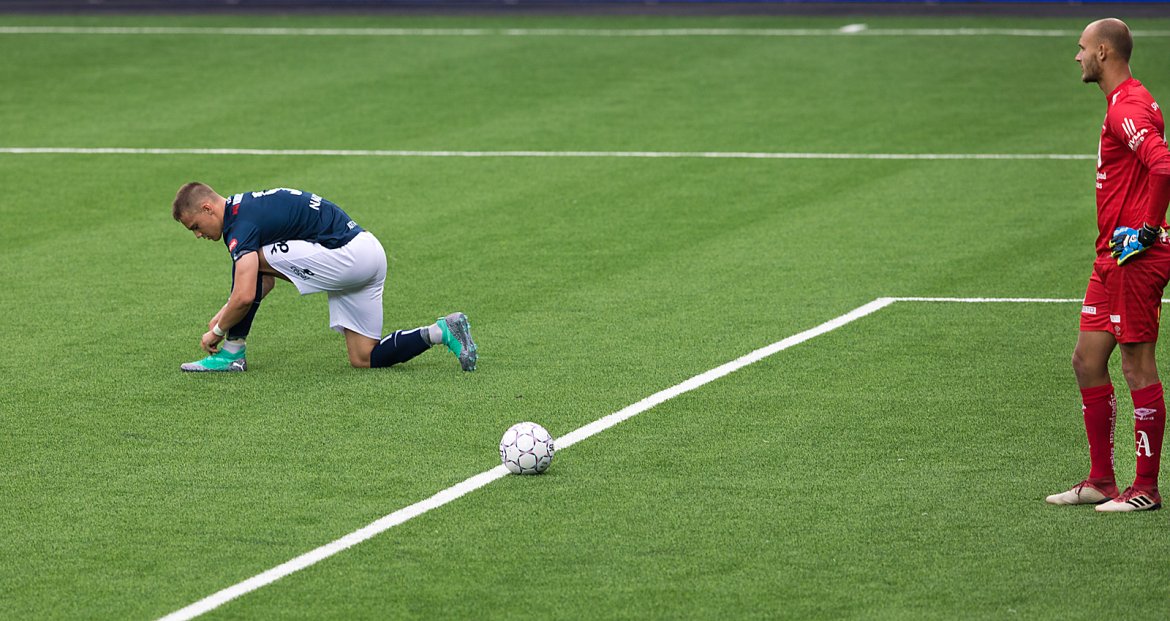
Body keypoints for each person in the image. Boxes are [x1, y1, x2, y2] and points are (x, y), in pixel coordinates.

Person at [1046, 18, 1170, 512]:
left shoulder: (1127, 109)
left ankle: (1145, 489)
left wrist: (1145, 230)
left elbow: (1163, 165)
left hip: (1131, 258)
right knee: (1087, 360)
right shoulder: (1125, 102)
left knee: (1137, 366)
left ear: (1103, 52)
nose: (1077, 57)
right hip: (1110, 260)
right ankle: (1101, 479)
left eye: (1081, 49)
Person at [171, 183, 477, 373]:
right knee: (364, 358)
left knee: (250, 266)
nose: (198, 235)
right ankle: (442, 331)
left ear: (208, 208)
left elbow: (246, 293)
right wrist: (227, 311)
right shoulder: (247, 207)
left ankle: (232, 355)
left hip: (347, 257)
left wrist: (219, 330)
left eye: (195, 226)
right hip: (368, 253)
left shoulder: (241, 227)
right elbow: (262, 284)